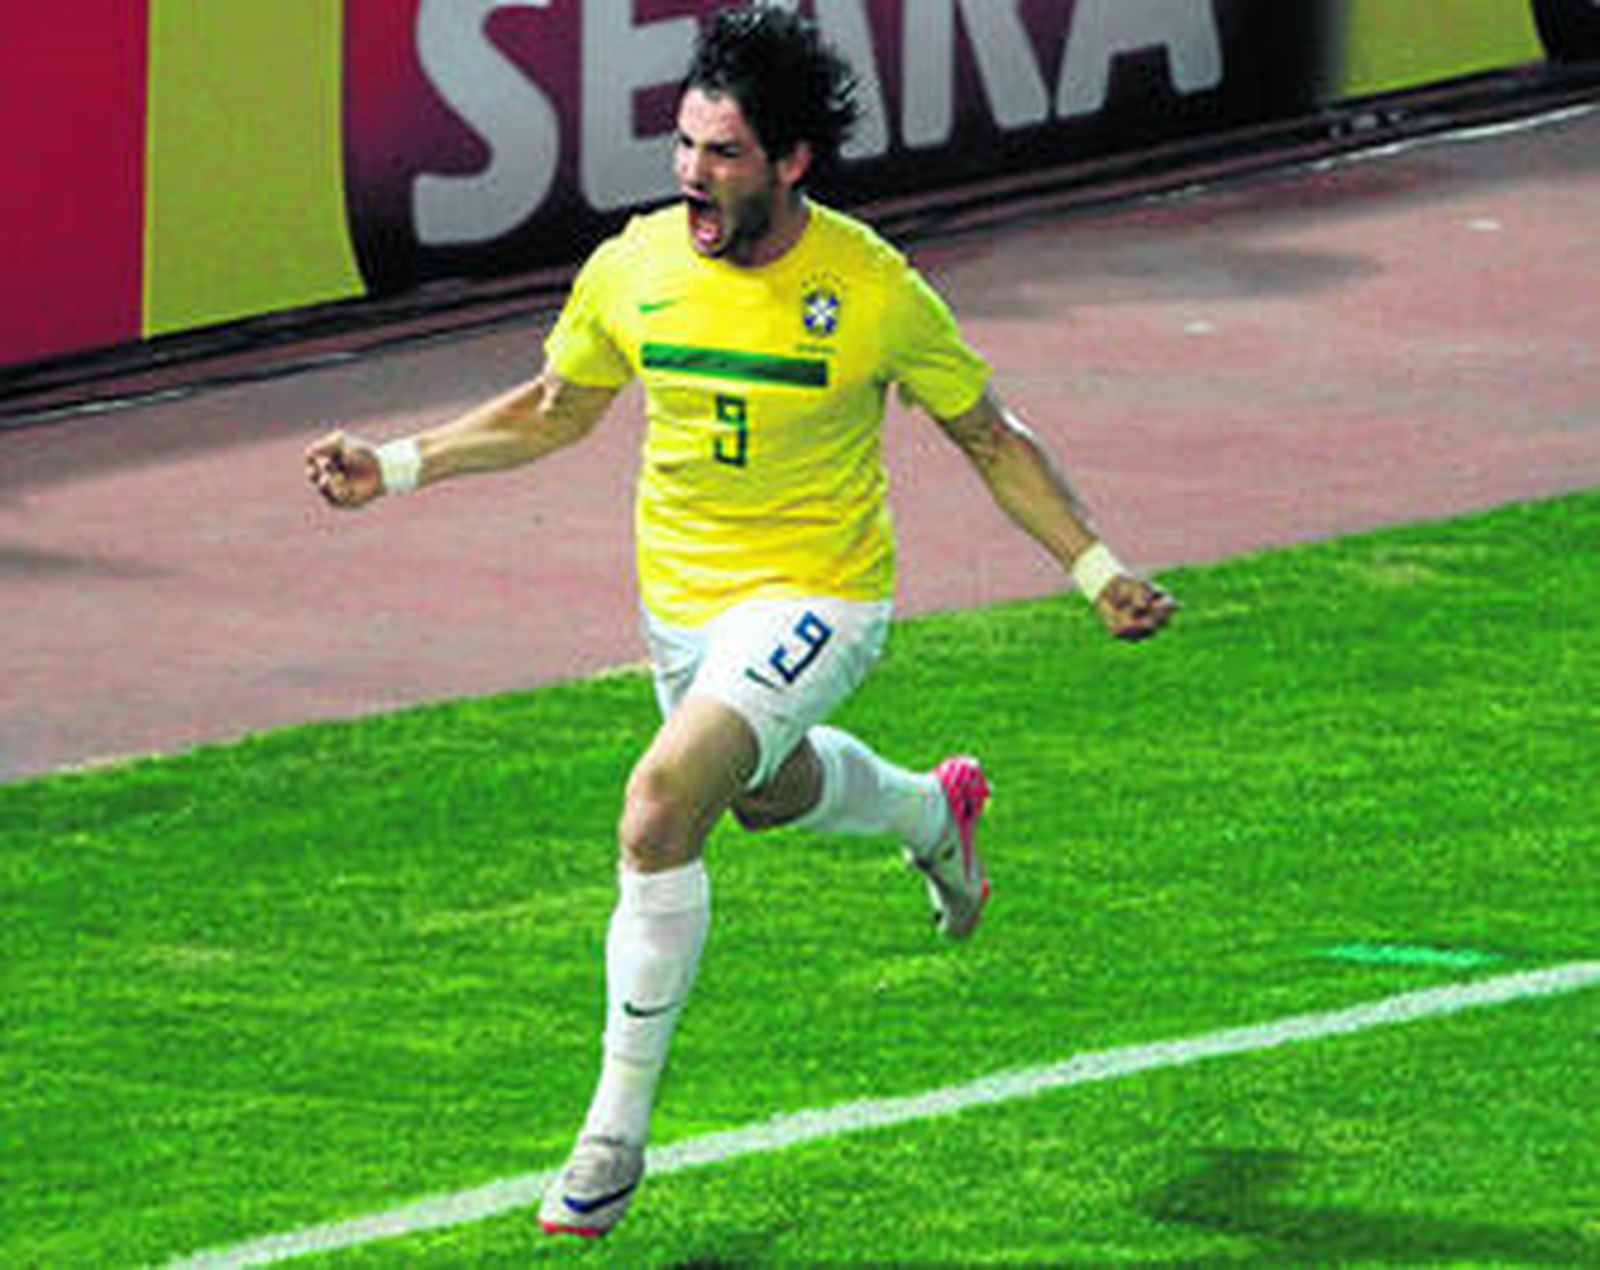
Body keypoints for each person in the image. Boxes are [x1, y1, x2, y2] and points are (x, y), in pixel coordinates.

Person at [307, 4, 1176, 1239]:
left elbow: (988, 434)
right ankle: (936, 811)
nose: (691, 176)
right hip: (682, 608)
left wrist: (1095, 571)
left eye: (721, 155)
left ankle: (611, 1136)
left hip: (821, 594)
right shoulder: (637, 265)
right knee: (756, 794)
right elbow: (558, 405)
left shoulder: (871, 289)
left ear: (791, 164)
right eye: (684, 147)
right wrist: (392, 465)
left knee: (660, 803)